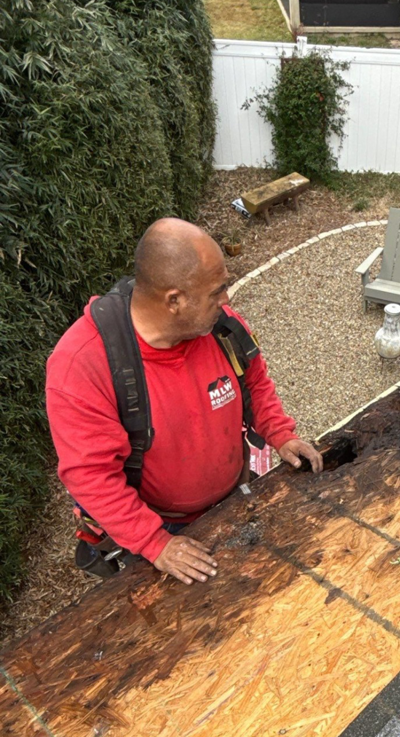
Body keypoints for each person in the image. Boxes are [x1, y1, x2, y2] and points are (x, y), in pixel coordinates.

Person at [46, 218, 323, 585]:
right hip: (157, 522)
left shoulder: (221, 328)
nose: (227, 300)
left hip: (231, 495)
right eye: (216, 292)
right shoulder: (82, 365)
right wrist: (155, 543)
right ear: (174, 300)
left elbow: (254, 380)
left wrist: (281, 434)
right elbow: (92, 477)